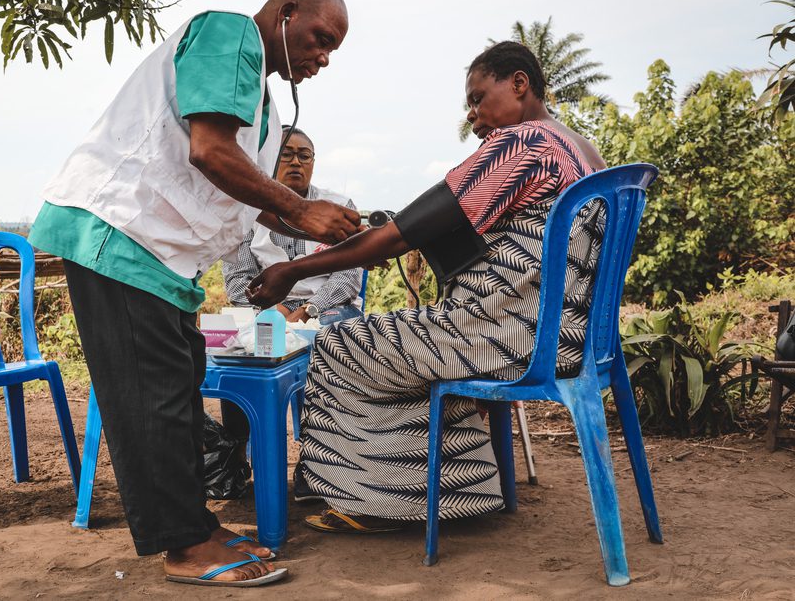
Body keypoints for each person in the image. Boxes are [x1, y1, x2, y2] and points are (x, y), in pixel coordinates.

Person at [28, 0, 358, 586]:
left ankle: (195, 527)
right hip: (118, 230)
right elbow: (208, 150)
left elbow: (239, 184)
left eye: (332, 48)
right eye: (319, 37)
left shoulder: (263, 105)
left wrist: (317, 226)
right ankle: (183, 547)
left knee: (178, 383)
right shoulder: (229, 34)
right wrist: (297, 208)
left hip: (159, 255)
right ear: (285, 12)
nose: (322, 56)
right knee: (154, 393)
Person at [247, 41, 608, 533]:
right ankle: (455, 488)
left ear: (519, 83)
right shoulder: (581, 149)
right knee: (401, 347)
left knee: (337, 345)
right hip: (570, 335)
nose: (476, 119)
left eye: (479, 99)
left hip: (506, 334)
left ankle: (377, 500)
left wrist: (293, 271)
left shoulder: (524, 144)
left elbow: (400, 235)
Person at [223, 126, 364, 326]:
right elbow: (238, 278)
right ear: (269, 158)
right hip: (268, 309)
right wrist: (270, 312)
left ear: (313, 163)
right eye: (286, 154)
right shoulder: (246, 208)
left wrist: (309, 309)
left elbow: (348, 274)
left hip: (327, 308)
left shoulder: (339, 207)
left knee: (328, 333)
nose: (296, 162)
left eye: (304, 156)